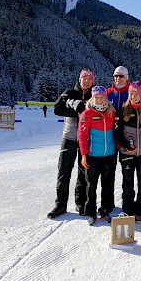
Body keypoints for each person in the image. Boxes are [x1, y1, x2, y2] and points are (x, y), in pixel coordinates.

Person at [47, 68, 94, 219]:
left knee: (83, 172)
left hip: (86, 140)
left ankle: (81, 204)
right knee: (64, 171)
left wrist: (85, 113)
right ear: (79, 79)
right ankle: (60, 204)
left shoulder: (95, 96)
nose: (86, 81)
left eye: (89, 79)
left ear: (93, 81)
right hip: (68, 137)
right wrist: (77, 110)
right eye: (84, 78)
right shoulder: (70, 92)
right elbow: (57, 109)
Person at [114, 81, 141, 222]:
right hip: (126, 153)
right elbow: (117, 132)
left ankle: (140, 211)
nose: (133, 96)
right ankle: (127, 210)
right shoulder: (123, 110)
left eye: (136, 94)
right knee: (127, 183)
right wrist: (126, 146)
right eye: (131, 93)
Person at [78, 86, 116, 225]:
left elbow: (116, 132)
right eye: (96, 97)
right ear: (92, 98)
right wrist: (84, 154)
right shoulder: (87, 114)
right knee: (91, 184)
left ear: (106, 98)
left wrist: (117, 147)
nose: (99, 100)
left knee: (107, 184)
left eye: (101, 97)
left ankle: (105, 209)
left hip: (109, 155)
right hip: (93, 156)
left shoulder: (111, 112)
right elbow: (82, 136)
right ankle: (91, 211)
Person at [106, 66, 131, 209]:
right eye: (115, 75)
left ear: (126, 77)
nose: (117, 78)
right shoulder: (108, 93)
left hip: (126, 138)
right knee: (108, 173)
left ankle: (127, 204)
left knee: (127, 173)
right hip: (109, 138)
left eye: (120, 76)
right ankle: (108, 203)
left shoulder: (131, 93)